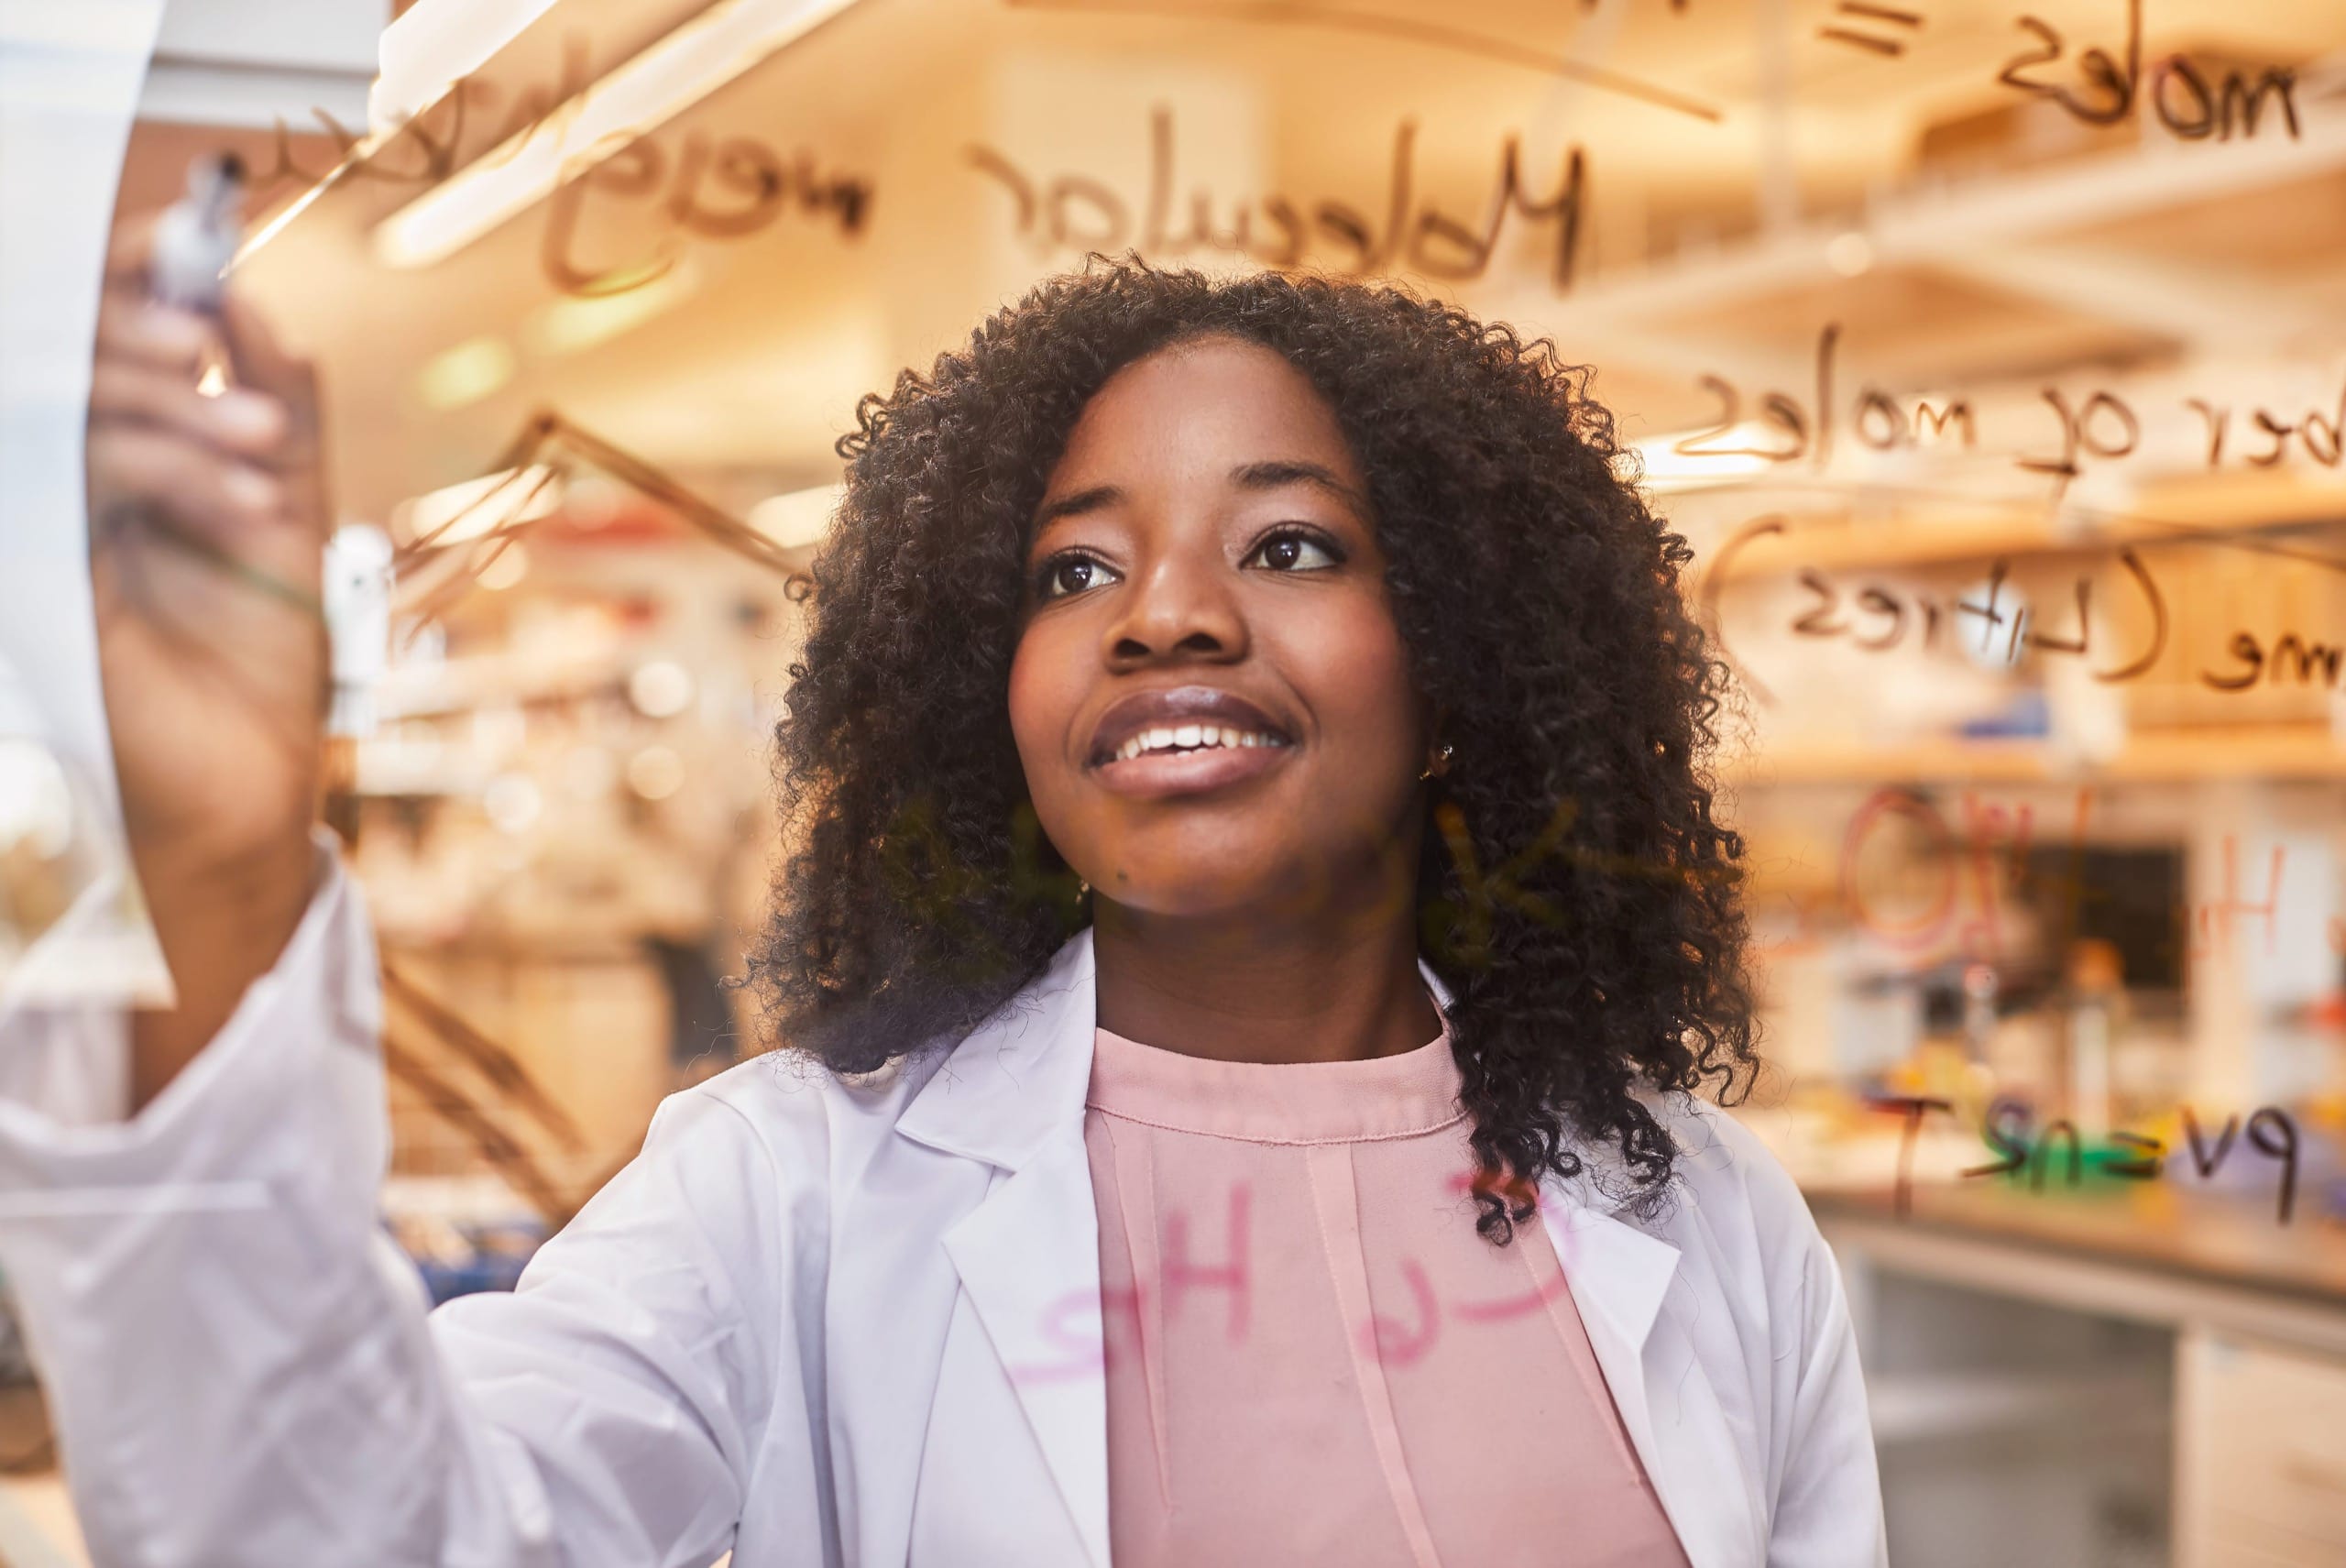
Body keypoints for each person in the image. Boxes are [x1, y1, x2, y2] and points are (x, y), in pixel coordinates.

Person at [0, 226, 1885, 1565]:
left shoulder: (1707, 1223)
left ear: (1467, 657)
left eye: (1288, 543)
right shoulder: (787, 1196)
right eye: (1073, 572)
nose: (1162, 613)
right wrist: (219, 871)